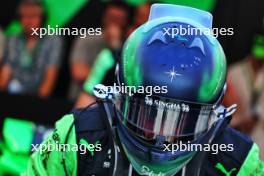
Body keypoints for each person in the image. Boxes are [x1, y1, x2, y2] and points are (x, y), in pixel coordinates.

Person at [26, 4, 264, 176]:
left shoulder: (238, 161)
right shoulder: (76, 138)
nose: (160, 136)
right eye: (149, 114)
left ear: (214, 113)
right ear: (119, 93)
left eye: (179, 122)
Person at [0, 0, 63, 97]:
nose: (28, 21)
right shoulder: (13, 40)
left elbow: (50, 76)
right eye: (24, 16)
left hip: (39, 99)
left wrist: (36, 105)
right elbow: (6, 72)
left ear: (42, 18)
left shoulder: (53, 40)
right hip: (12, 96)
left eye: (33, 16)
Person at [68, 1, 128, 101]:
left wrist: (115, 46)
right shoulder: (87, 39)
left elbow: (126, 80)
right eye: (111, 18)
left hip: (113, 103)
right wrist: (108, 77)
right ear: (104, 18)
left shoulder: (127, 46)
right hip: (81, 100)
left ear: (125, 22)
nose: (114, 23)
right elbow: (78, 73)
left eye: (118, 20)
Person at [224, 34, 264, 159]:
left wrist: (257, 118)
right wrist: (240, 122)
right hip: (236, 135)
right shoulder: (234, 72)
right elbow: (226, 105)